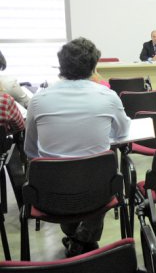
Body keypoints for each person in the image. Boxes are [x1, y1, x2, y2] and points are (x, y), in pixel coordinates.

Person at [24, 37, 131, 257]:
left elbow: (31, 151)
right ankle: (84, 241)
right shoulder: (108, 97)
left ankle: (77, 240)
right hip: (98, 192)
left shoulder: (38, 100)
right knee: (106, 166)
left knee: (74, 175)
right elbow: (122, 133)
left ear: (61, 67)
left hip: (51, 194)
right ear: (94, 67)